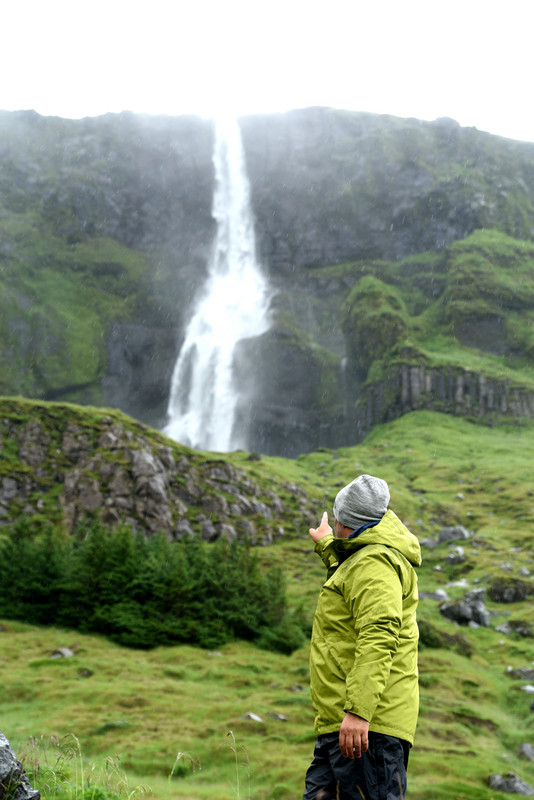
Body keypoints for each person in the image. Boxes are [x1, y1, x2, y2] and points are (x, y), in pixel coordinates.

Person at [303, 474, 422, 800]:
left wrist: (359, 711)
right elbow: (354, 574)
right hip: (343, 725)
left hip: (367, 729)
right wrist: (327, 544)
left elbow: (379, 634)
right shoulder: (366, 557)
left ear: (354, 525)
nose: (336, 520)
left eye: (340, 518)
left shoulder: (377, 561)